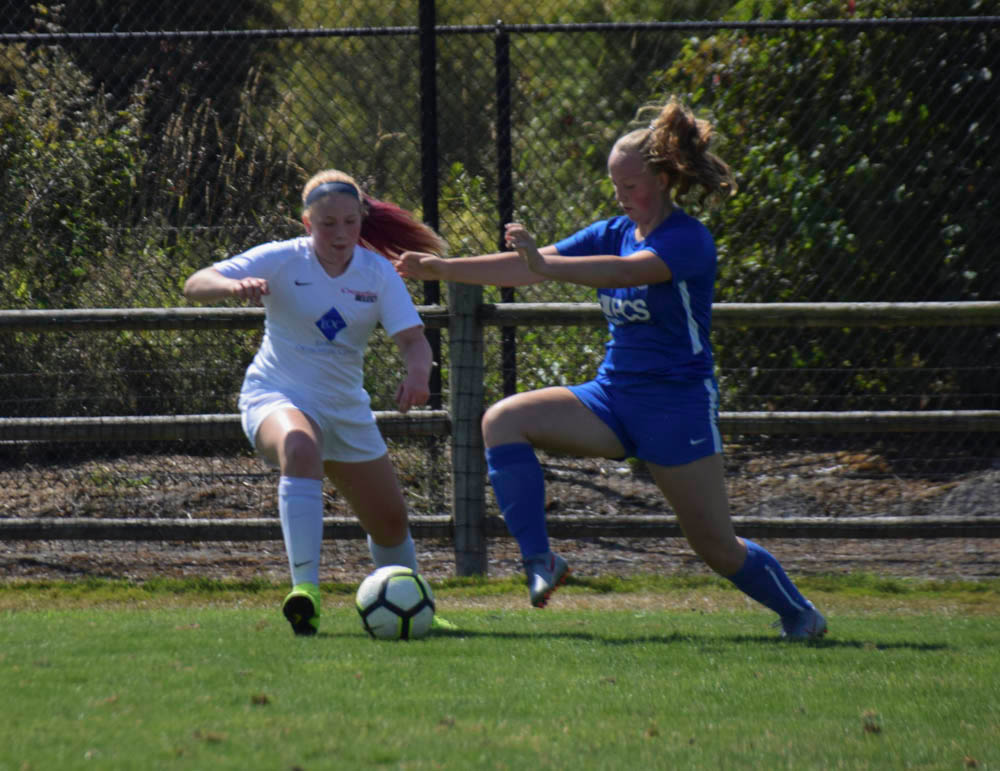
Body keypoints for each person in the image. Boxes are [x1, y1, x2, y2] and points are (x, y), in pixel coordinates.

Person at [393, 97, 827, 640]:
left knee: (714, 545)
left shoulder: (687, 239)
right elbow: (524, 269)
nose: (622, 196)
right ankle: (540, 562)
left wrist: (544, 263)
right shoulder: (613, 230)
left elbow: (622, 272)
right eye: (616, 185)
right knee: (503, 420)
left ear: (663, 180)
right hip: (611, 398)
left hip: (675, 405)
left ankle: (800, 614)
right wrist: (443, 268)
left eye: (631, 185)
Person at [183, 169, 452, 637]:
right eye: (328, 224)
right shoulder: (282, 259)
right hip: (276, 394)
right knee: (300, 445)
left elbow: (413, 340)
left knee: (391, 524)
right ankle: (305, 592)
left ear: (361, 220)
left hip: (345, 409)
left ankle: (413, 604)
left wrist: (417, 373)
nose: (341, 233)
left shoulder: (377, 273)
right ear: (307, 223)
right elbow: (195, 282)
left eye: (350, 222)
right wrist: (231, 287)